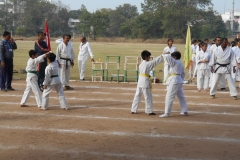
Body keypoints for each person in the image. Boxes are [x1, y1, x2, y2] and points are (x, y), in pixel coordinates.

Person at [131, 50, 163, 115]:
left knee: (137, 96)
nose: (149, 58)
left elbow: (154, 62)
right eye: (149, 57)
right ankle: (149, 111)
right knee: (148, 97)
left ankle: (133, 109)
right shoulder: (147, 64)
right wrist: (162, 56)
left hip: (140, 81)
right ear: (146, 57)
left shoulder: (141, 64)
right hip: (145, 81)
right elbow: (155, 62)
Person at [160, 51, 188, 118]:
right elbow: (183, 74)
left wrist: (165, 53)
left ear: (175, 57)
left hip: (174, 80)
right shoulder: (180, 63)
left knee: (169, 96)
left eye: (173, 57)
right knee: (181, 96)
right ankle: (184, 110)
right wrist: (180, 79)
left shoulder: (175, 62)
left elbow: (167, 57)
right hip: (178, 80)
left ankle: (167, 112)